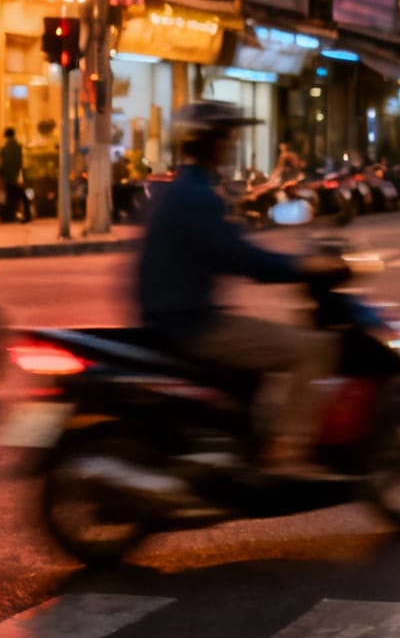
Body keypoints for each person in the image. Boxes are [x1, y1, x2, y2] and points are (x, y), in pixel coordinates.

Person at [137, 102, 345, 477]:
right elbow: (245, 260)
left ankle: (254, 432)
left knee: (266, 337)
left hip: (177, 315)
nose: (230, 145)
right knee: (313, 348)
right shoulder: (196, 197)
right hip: (192, 324)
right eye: (226, 137)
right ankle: (288, 453)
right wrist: (302, 267)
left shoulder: (181, 190)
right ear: (210, 143)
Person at [0, 127, 30, 223]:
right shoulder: (18, 146)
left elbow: (2, 163)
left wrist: (0, 173)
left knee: (12, 196)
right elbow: (20, 161)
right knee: (19, 195)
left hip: (9, 176)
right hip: (16, 175)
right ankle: (22, 215)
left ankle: (10, 216)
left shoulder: (5, 148)